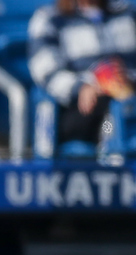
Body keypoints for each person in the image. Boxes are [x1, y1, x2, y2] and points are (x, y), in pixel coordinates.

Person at [28, 0, 136, 147]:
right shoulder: (51, 18)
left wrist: (127, 79)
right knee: (109, 115)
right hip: (81, 106)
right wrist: (83, 86)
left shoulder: (128, 13)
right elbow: (45, 69)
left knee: (123, 108)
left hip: (128, 96)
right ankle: (110, 147)